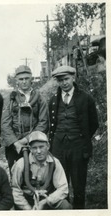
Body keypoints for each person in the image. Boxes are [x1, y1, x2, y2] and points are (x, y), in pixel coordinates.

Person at [49, 65, 99, 209]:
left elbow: (94, 123)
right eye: (60, 80)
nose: (64, 83)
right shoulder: (53, 100)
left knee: (78, 185)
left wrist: (81, 138)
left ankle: (78, 210)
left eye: (66, 79)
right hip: (58, 147)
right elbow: (52, 123)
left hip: (78, 147)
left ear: (73, 78)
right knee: (59, 184)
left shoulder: (86, 98)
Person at [1, 65, 49, 171]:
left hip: (34, 144)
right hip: (13, 146)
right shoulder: (10, 99)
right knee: (15, 175)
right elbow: (5, 124)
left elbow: (43, 123)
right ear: (16, 81)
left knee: (34, 175)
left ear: (31, 79)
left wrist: (26, 140)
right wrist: (15, 143)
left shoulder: (40, 99)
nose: (24, 82)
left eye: (27, 78)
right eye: (21, 79)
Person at [11, 131, 72, 210]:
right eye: (34, 148)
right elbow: (15, 190)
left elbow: (63, 188)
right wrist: (27, 208)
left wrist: (46, 201)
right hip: (26, 200)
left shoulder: (54, 163)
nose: (38, 151)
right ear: (30, 149)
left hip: (47, 199)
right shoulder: (21, 164)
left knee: (65, 206)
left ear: (48, 146)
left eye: (41, 147)